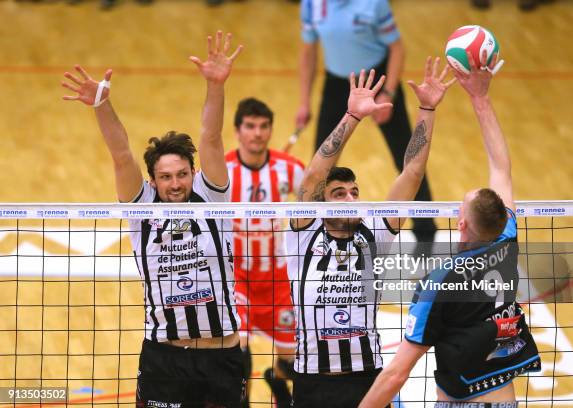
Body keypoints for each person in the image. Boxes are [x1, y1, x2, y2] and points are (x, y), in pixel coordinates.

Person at [61, 31, 246, 408]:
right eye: (165, 177)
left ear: (193, 173)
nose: (175, 184)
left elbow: (211, 137)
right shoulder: (141, 209)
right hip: (166, 359)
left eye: (181, 174)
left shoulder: (213, 199)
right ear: (153, 181)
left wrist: (215, 86)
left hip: (221, 355)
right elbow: (122, 156)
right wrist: (101, 105)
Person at [358, 53, 541, 407]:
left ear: (461, 225)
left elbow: (397, 374)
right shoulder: (506, 242)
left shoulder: (440, 282)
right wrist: (480, 98)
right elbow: (501, 167)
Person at [288, 59, 455, 408]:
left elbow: (411, 173)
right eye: (339, 193)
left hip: (368, 379)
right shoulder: (303, 233)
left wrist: (427, 109)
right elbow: (312, 177)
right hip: (312, 382)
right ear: (322, 201)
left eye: (354, 192)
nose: (350, 199)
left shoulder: (374, 232)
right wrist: (352, 117)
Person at [296, 0, 438, 247]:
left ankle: (426, 232)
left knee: (409, 159)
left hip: (378, 81)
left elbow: (397, 48)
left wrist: (389, 92)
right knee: (320, 165)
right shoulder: (311, 4)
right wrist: (304, 102)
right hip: (337, 84)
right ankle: (314, 232)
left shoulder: (374, 4)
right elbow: (308, 52)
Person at [225, 97, 305, 408]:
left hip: (279, 281)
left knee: (292, 365)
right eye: (250, 126)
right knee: (236, 354)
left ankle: (278, 385)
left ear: (270, 130)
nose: (257, 133)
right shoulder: (223, 168)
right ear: (237, 131)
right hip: (239, 280)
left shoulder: (291, 169)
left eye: (263, 127)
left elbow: (315, 204)